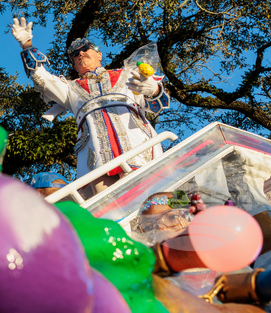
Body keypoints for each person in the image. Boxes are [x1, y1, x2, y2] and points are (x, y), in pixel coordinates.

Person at [11, 16, 170, 193]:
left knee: (151, 196)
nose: (80, 53)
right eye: (74, 54)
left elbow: (159, 104)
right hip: (98, 157)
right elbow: (42, 79)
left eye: (85, 49)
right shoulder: (70, 89)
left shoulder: (127, 74)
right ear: (74, 64)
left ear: (99, 55)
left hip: (138, 147)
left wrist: (154, 89)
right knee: (108, 206)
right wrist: (26, 44)